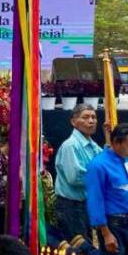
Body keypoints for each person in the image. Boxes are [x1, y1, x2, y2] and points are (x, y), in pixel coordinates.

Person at [84, 122, 128, 255]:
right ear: (116, 142)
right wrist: (106, 233)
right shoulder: (98, 165)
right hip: (113, 222)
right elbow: (95, 201)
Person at [54, 104, 103, 243]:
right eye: (86, 117)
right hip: (70, 206)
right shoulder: (71, 145)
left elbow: (105, 165)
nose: (91, 121)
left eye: (94, 117)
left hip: (85, 204)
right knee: (78, 249)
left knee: (86, 244)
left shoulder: (93, 146)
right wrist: (100, 178)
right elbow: (75, 178)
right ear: (73, 122)